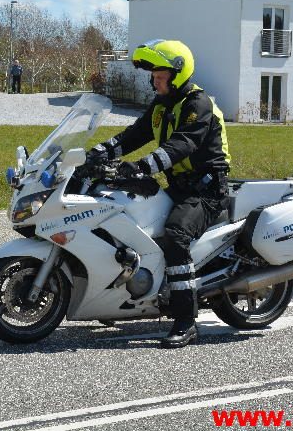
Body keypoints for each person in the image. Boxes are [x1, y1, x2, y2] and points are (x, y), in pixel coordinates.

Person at [89, 39, 230, 349]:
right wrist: (97, 154)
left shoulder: (198, 104)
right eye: (153, 74)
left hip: (206, 191)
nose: (155, 79)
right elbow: (134, 135)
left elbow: (182, 145)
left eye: (161, 74)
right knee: (124, 216)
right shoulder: (161, 105)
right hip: (178, 187)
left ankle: (185, 321)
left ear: (179, 73)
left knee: (176, 235)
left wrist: (141, 167)